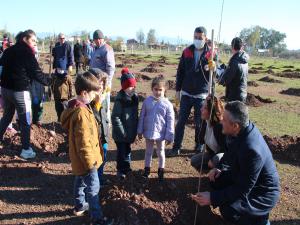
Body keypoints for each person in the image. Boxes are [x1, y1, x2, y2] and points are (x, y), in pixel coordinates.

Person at [192, 101, 280, 225]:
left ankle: (260, 220)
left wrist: (212, 198)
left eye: (224, 120)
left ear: (235, 125)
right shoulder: (242, 131)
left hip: (262, 192)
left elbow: (243, 188)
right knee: (217, 180)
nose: (221, 121)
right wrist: (220, 168)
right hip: (243, 176)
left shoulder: (252, 150)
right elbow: (230, 152)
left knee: (229, 210)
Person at [60, 72, 113, 225]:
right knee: (93, 188)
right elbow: (84, 141)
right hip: (87, 159)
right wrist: (91, 164)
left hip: (79, 159)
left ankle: (79, 205)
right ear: (84, 93)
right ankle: (97, 218)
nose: (93, 97)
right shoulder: (82, 113)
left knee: (80, 180)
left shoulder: (78, 107)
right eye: (92, 94)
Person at [0, 29, 52, 159]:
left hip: (5, 90)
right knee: (25, 120)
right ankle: (26, 149)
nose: (35, 43)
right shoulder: (27, 53)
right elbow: (36, 72)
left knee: (7, 116)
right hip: (19, 91)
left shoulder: (8, 51)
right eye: (33, 40)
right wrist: (48, 82)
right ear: (24, 39)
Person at [168, 26, 211, 157]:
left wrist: (213, 67)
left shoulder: (211, 54)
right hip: (186, 93)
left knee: (200, 123)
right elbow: (180, 72)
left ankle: (199, 145)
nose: (197, 39)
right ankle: (177, 147)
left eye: (200, 37)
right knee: (181, 122)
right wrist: (177, 91)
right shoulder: (187, 51)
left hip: (201, 94)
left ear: (206, 38)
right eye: (195, 37)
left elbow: (217, 75)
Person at [137, 76, 175, 182]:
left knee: (160, 151)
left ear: (164, 90)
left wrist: (169, 136)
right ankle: (147, 169)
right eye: (156, 89)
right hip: (148, 132)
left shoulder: (167, 104)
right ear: (152, 89)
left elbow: (170, 121)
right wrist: (140, 131)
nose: (158, 92)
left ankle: (161, 170)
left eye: (160, 90)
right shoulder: (147, 101)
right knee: (148, 151)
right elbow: (142, 116)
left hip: (161, 133)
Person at [111, 68, 138, 179]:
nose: (132, 89)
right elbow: (115, 117)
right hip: (120, 134)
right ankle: (120, 170)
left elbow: (135, 115)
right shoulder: (120, 99)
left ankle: (127, 168)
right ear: (124, 87)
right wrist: (122, 132)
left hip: (130, 132)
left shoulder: (135, 98)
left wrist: (136, 131)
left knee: (128, 151)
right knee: (121, 152)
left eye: (133, 86)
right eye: (130, 87)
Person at [190, 96, 226, 170]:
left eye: (205, 108)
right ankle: (211, 173)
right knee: (194, 161)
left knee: (216, 159)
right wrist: (203, 124)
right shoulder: (206, 122)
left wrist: (213, 161)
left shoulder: (220, 126)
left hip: (225, 157)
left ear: (212, 111)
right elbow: (200, 140)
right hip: (212, 154)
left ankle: (220, 175)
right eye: (202, 107)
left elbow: (226, 149)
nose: (201, 109)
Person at [88, 68, 110, 186]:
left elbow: (104, 115)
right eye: (98, 84)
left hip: (103, 135)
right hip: (94, 137)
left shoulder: (103, 97)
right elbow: (92, 118)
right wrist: (97, 103)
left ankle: (100, 179)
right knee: (94, 161)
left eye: (102, 84)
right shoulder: (89, 100)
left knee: (103, 158)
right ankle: (93, 182)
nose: (100, 87)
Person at [90, 30, 115, 122]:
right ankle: (99, 123)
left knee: (105, 104)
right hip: (95, 82)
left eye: (99, 39)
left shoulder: (107, 49)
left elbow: (111, 67)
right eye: (96, 39)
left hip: (104, 83)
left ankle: (107, 124)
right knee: (96, 102)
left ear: (103, 39)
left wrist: (107, 83)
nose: (98, 41)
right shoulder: (95, 49)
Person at [217, 37, 249, 102]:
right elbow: (237, 73)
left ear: (232, 47)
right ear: (241, 47)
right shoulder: (244, 59)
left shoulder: (234, 61)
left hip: (234, 95)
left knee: (232, 112)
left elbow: (227, 79)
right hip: (243, 93)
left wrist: (220, 75)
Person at [52, 33, 74, 121]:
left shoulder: (67, 46)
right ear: (58, 39)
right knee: (58, 105)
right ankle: (59, 118)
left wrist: (71, 65)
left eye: (63, 38)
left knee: (64, 105)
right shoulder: (57, 46)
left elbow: (70, 55)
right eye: (60, 38)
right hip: (57, 68)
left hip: (64, 67)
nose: (62, 39)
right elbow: (54, 55)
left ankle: (65, 119)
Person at [31, 45, 45, 126]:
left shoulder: (39, 65)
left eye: (36, 53)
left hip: (39, 87)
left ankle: (38, 119)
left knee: (39, 104)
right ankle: (32, 121)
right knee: (32, 104)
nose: (35, 55)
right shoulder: (27, 63)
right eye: (34, 53)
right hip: (31, 87)